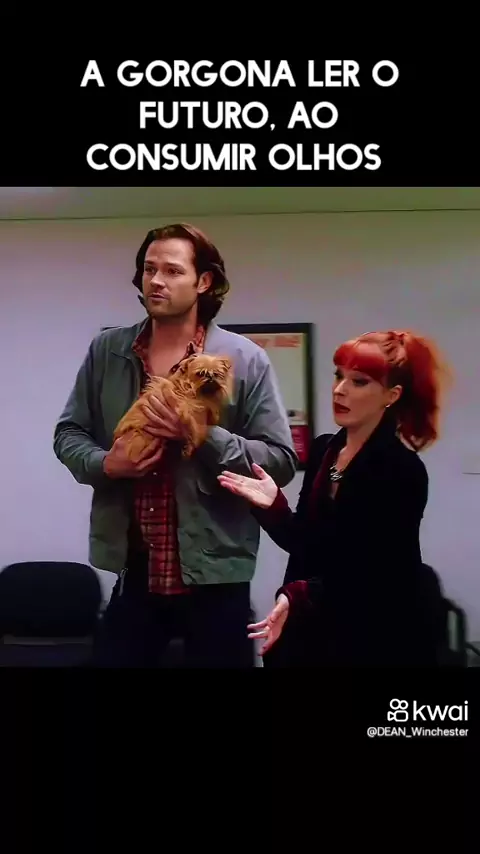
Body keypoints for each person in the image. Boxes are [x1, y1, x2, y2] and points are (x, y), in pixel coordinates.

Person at [53, 223, 297, 668]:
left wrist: (200, 436)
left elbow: (279, 461)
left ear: (203, 281)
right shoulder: (107, 351)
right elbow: (68, 433)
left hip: (217, 577)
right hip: (134, 571)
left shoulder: (244, 359)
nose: (156, 281)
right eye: (149, 269)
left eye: (172, 270)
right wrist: (106, 464)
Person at [218, 329, 450, 667]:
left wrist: (301, 594)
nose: (340, 390)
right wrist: (272, 506)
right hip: (318, 628)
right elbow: (307, 543)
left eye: (359, 382)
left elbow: (378, 572)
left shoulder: (402, 469)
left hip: (377, 632)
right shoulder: (325, 449)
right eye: (339, 376)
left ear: (391, 395)